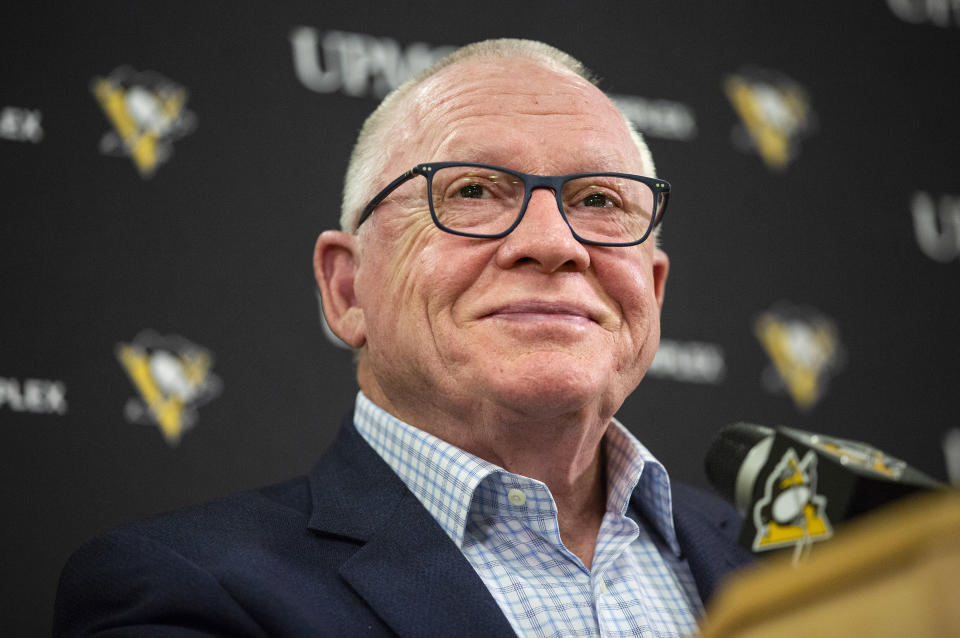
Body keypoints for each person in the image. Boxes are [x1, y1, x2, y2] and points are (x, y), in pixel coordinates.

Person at [55, 38, 753, 637]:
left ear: (653, 290)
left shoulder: (786, 558)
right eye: (473, 192)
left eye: (599, 201)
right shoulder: (181, 590)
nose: (553, 243)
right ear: (347, 289)